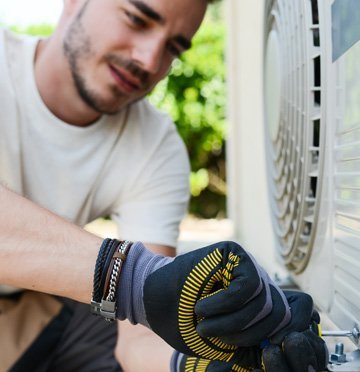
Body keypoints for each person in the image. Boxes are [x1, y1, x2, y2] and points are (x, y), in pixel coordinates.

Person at [0, 0, 327, 371]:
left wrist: (192, 365)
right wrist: (131, 277)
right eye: (137, 19)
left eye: (173, 47)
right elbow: (138, 285)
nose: (150, 60)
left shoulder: (155, 144)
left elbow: (139, 335)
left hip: (30, 315)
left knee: (114, 317)